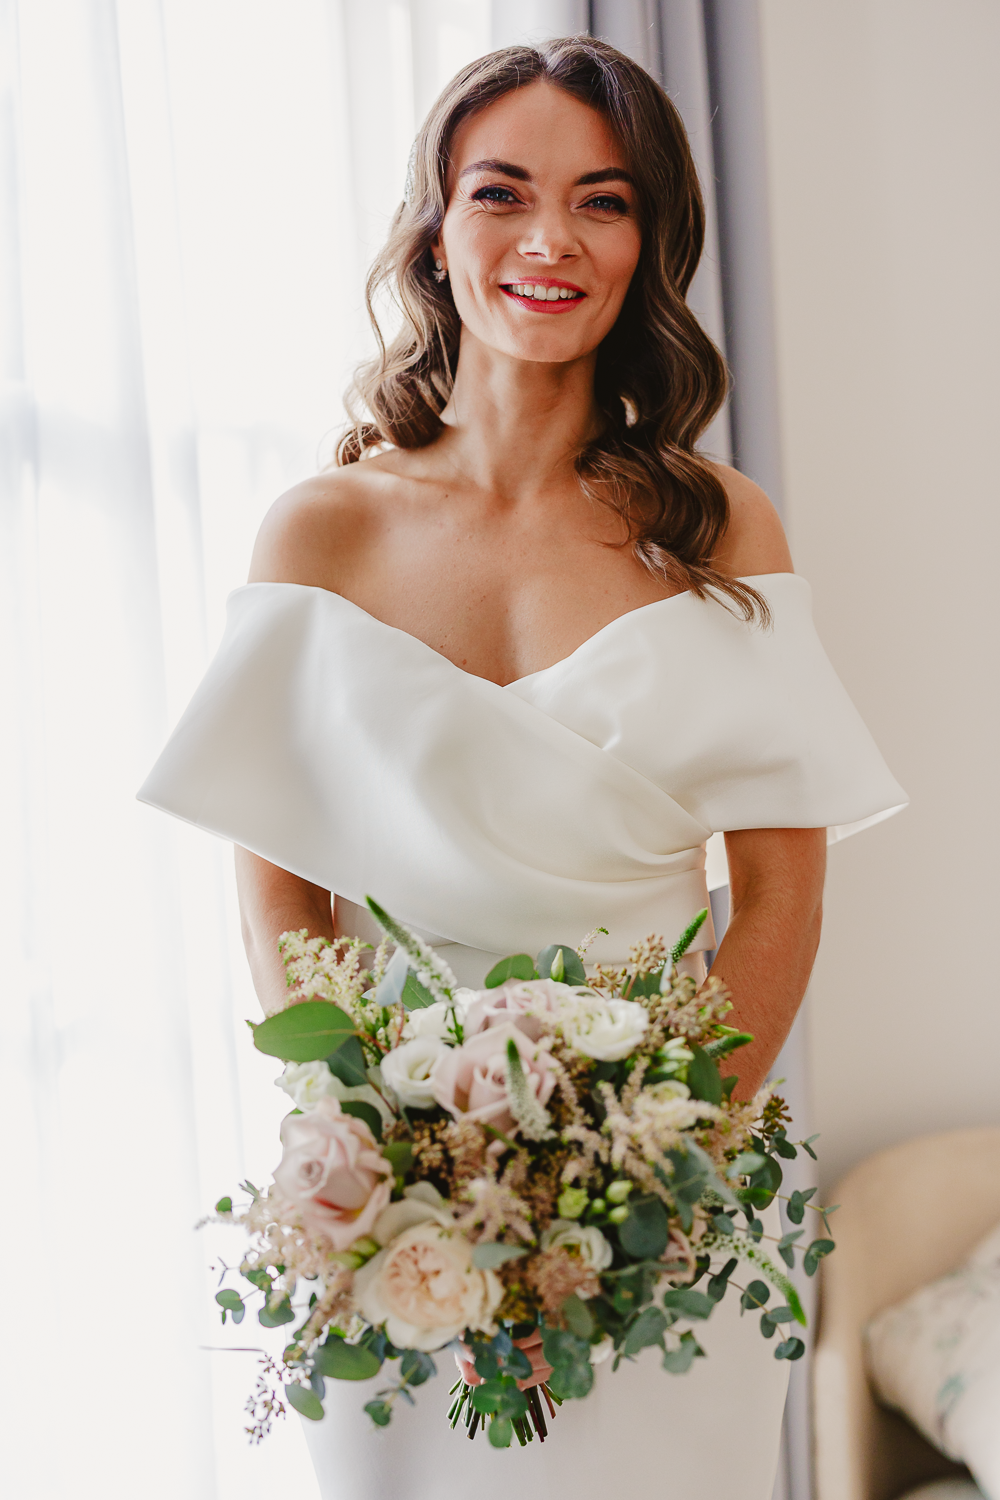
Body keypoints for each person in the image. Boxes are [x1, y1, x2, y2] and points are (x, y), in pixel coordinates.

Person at [139, 37, 906, 1500]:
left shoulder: (719, 529)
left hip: (676, 1200)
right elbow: (281, 892)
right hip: (390, 1221)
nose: (549, 239)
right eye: (503, 193)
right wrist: (392, 1154)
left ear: (648, 242)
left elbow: (780, 898)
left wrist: (653, 1175)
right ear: (437, 228)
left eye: (602, 202)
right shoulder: (323, 534)